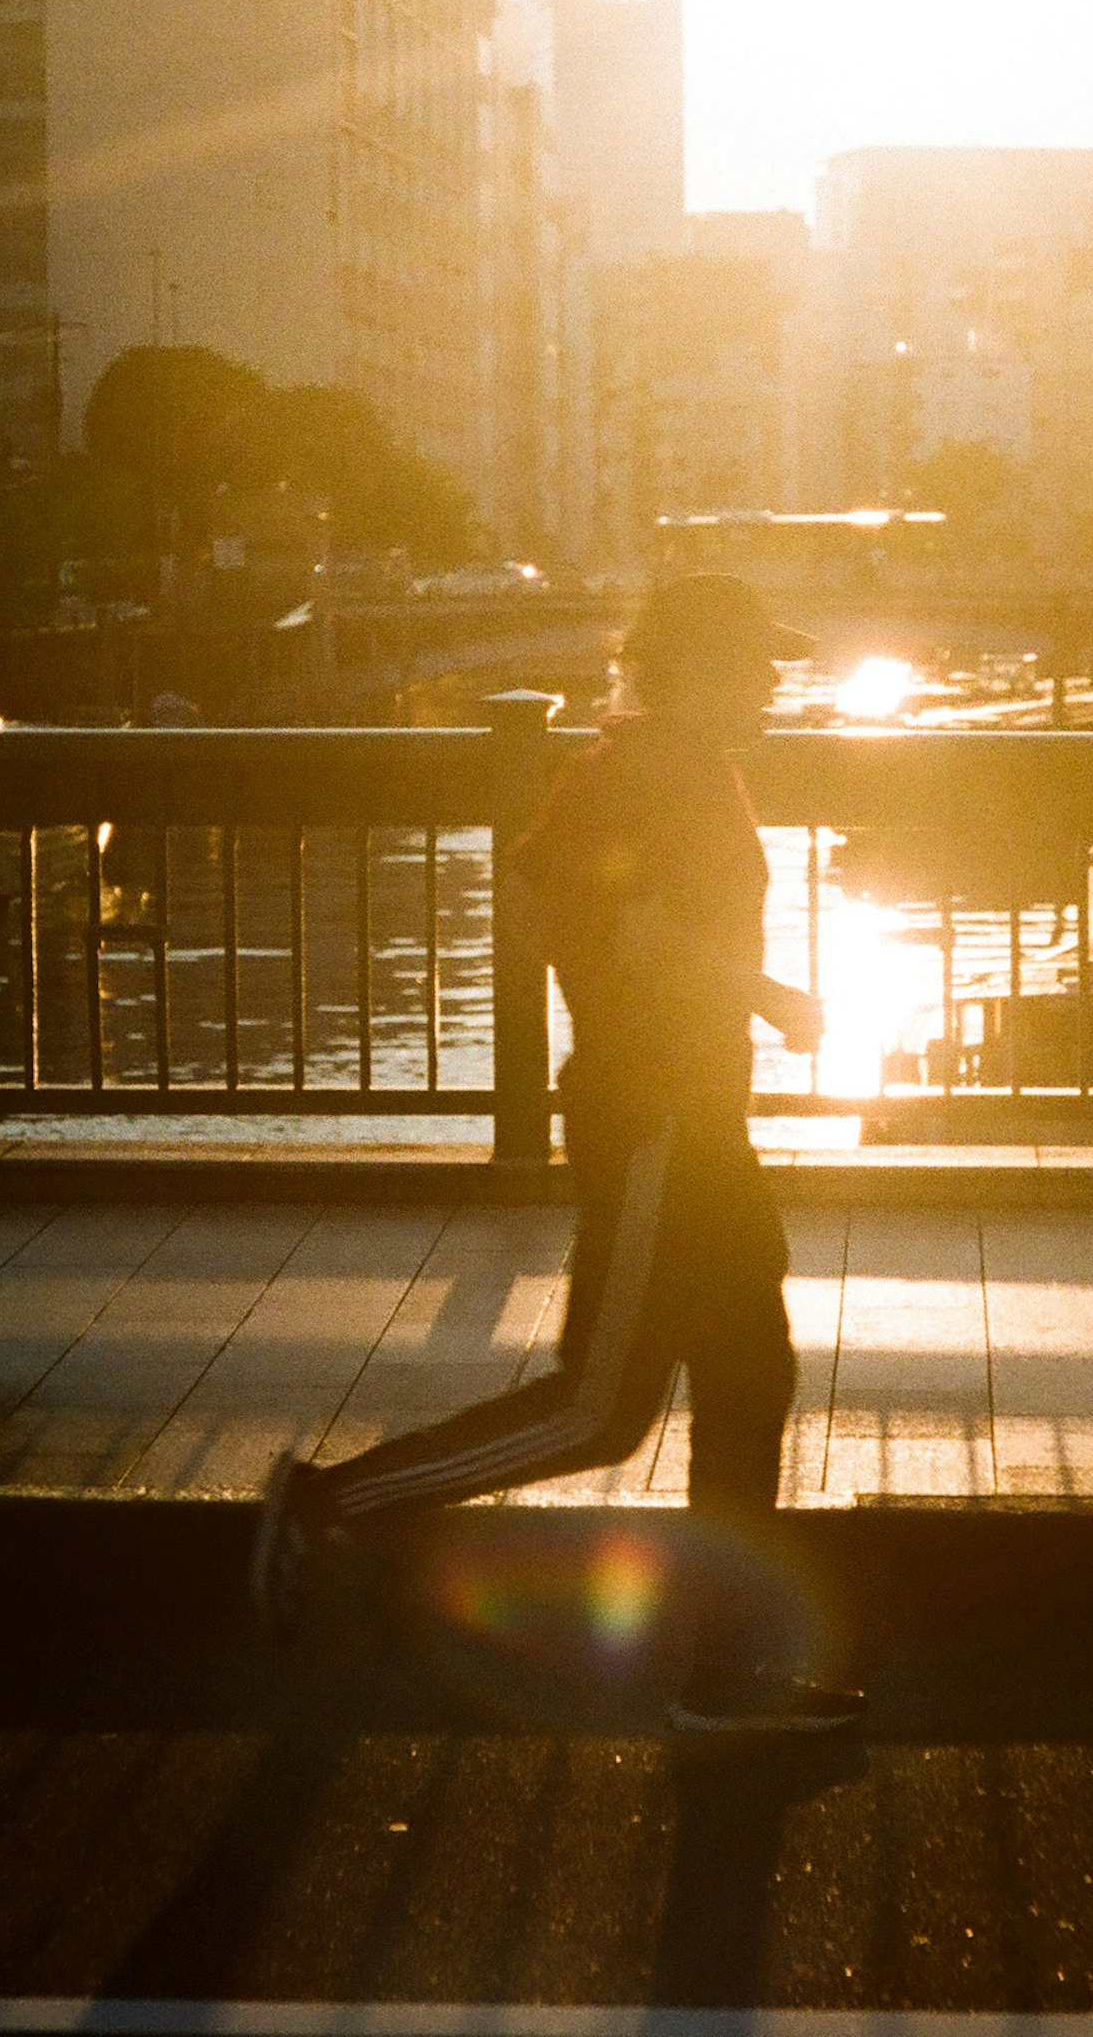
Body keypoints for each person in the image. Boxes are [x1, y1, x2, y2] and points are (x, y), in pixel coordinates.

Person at [251, 572, 862, 1734]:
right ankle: (330, 1501)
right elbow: (616, 925)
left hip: (691, 1113)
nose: (774, 680)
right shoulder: (655, 768)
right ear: (682, 669)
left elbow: (538, 899)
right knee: (599, 1407)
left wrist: (625, 969)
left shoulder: (646, 765)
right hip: (657, 1121)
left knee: (751, 1374)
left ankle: (728, 1674)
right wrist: (760, 991)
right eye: (751, 661)